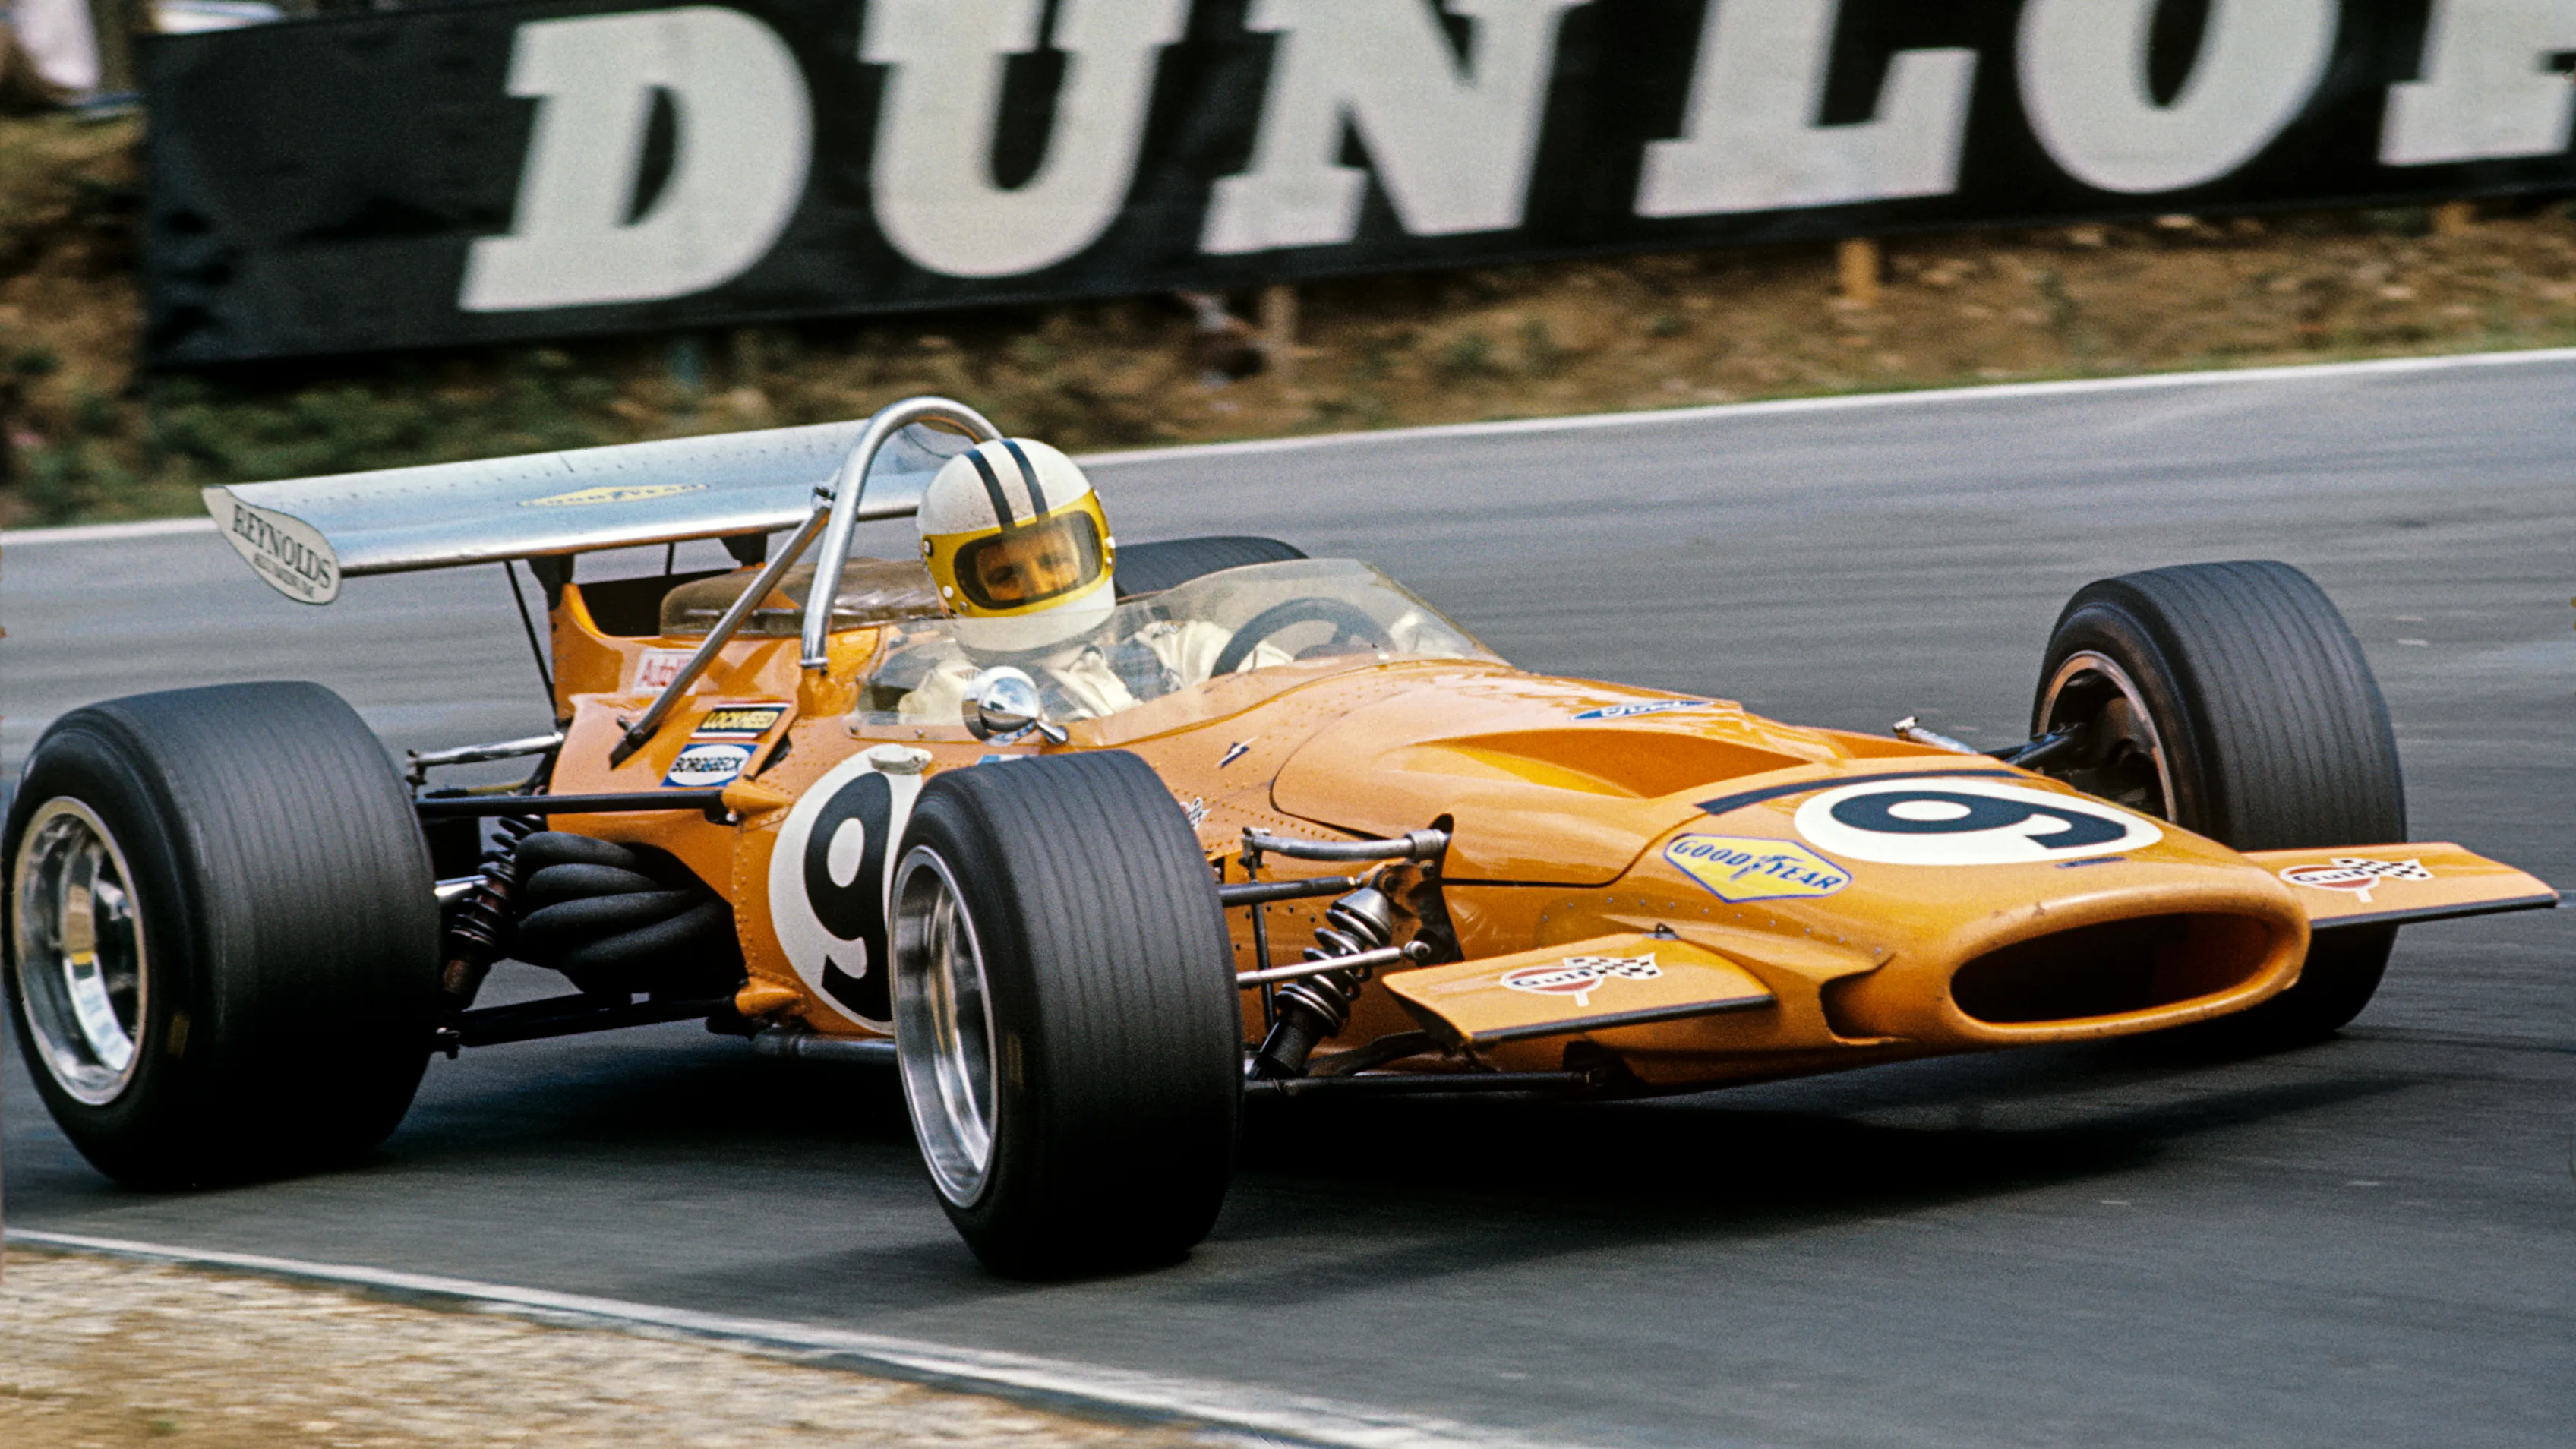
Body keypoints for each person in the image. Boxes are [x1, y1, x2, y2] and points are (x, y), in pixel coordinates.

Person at [895, 437, 1287, 727]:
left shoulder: (1177, 649)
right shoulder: (959, 697)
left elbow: (1307, 708)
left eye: (1054, 561)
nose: (1037, 586)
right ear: (955, 590)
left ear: (1096, 548)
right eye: (1007, 576)